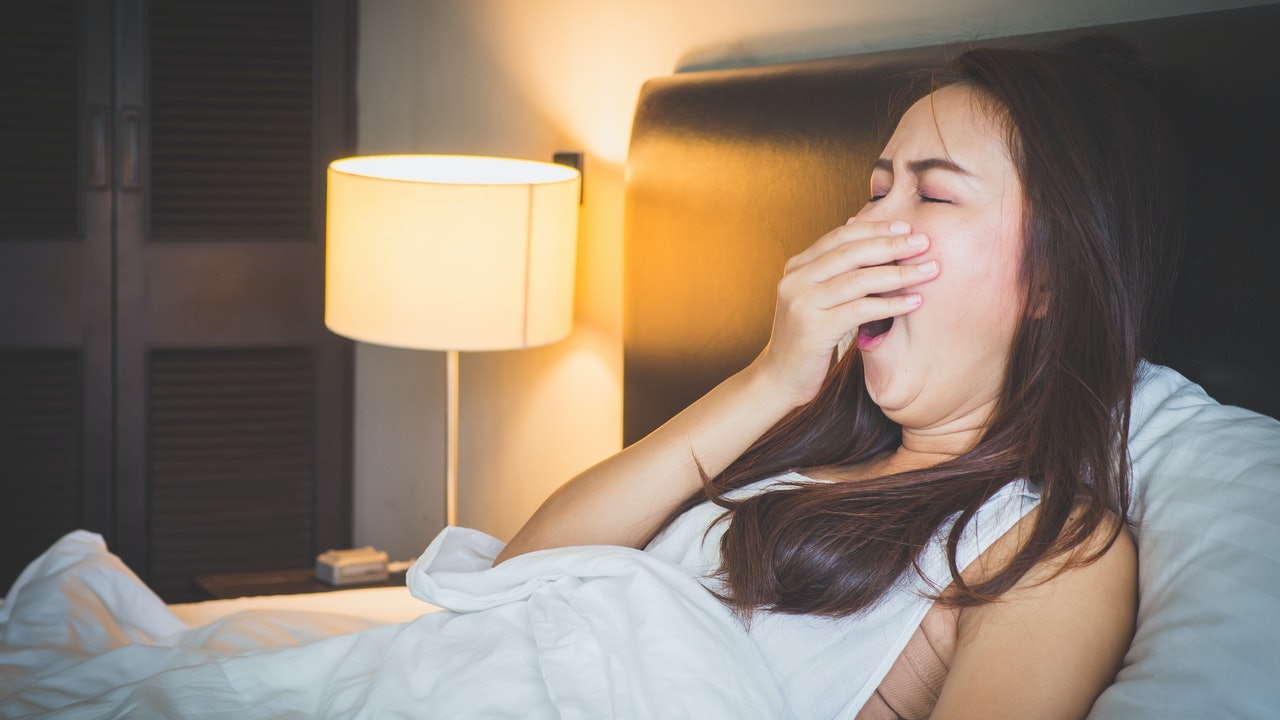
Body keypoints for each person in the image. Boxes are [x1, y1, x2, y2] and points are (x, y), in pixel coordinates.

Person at [497, 35, 1184, 719]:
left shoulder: (1045, 552)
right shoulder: (795, 442)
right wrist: (770, 380)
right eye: (877, 190)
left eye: (932, 195)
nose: (865, 223)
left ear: (1050, 277)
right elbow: (511, 580)